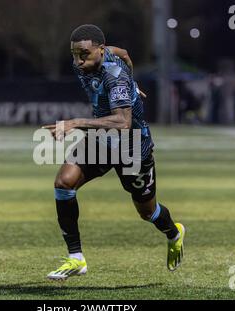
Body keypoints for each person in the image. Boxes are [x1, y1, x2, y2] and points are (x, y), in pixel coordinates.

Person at [43, 24, 185, 280]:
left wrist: (75, 123)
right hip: (101, 141)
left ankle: (174, 233)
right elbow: (125, 52)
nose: (77, 60)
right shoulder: (103, 53)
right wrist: (134, 83)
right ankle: (76, 258)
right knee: (63, 183)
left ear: (98, 50)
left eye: (83, 54)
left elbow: (122, 123)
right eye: (74, 53)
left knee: (147, 212)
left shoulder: (114, 75)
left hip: (132, 147)